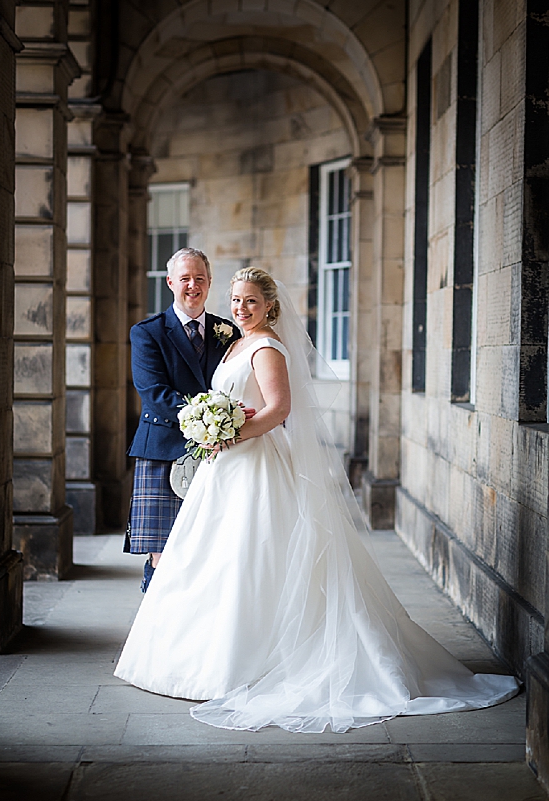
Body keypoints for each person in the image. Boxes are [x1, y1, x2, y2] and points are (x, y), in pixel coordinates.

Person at [115, 268, 519, 734]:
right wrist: (214, 428)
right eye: (236, 300)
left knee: (253, 557)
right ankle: (193, 658)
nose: (241, 308)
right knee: (215, 558)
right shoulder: (234, 342)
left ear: (269, 305)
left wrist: (227, 432)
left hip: (252, 463)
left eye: (250, 301)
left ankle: (251, 661)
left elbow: (280, 410)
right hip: (223, 465)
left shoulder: (266, 346)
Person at [125, 247, 240, 592]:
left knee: (211, 549)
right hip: (162, 449)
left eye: (200, 278)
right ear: (170, 282)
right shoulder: (148, 332)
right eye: (185, 278)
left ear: (209, 283)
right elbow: (154, 394)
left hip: (221, 453)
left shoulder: (227, 331)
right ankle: (155, 630)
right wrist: (207, 421)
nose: (193, 285)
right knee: (162, 553)